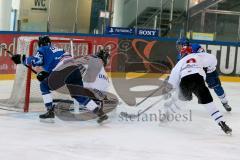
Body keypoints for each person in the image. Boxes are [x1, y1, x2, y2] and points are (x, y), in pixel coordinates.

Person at [11, 35, 110, 123]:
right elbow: (57, 64)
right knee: (78, 95)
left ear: (41, 44)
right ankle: (100, 113)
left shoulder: (43, 49)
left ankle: (50, 111)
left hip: (62, 69)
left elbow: (37, 61)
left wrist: (21, 59)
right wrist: (48, 75)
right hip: (75, 70)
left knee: (44, 85)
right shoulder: (60, 50)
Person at [166, 46, 232, 134]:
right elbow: (212, 59)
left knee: (181, 101)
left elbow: (173, 80)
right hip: (198, 79)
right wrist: (209, 68)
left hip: (185, 81)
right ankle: (222, 123)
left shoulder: (180, 63)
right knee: (209, 104)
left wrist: (169, 90)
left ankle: (166, 117)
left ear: (183, 54)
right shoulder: (199, 56)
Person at [191, 43, 231, 112]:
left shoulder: (204, 57)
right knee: (217, 87)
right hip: (204, 73)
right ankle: (224, 102)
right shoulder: (209, 56)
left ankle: (224, 102)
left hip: (210, 74)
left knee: (217, 87)